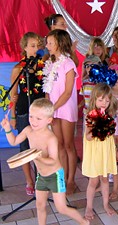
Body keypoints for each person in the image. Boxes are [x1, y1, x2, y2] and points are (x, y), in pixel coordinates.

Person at [1, 98, 89, 225]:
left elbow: (54, 161)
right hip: (41, 176)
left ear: (49, 120)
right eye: (31, 116)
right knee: (40, 205)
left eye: (38, 118)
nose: (33, 121)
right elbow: (13, 141)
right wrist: (8, 129)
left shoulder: (51, 138)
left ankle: (84, 221)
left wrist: (37, 157)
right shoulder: (28, 130)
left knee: (61, 208)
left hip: (55, 176)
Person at [42, 29, 78, 195]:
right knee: (60, 145)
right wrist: (47, 105)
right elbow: (48, 88)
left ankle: (71, 180)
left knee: (69, 144)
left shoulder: (68, 63)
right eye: (47, 42)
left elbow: (68, 91)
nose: (47, 46)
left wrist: (53, 108)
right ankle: (62, 178)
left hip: (65, 108)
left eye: (50, 43)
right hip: (53, 110)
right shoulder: (49, 63)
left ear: (60, 44)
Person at [9, 32, 45, 196]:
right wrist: (13, 116)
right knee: (25, 147)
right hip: (24, 110)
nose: (35, 48)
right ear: (24, 47)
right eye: (32, 45)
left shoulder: (43, 65)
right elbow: (13, 94)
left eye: (37, 45)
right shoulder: (18, 68)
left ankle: (40, 178)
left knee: (40, 146)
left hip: (40, 111)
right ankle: (29, 181)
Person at [82, 83, 118, 219]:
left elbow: (111, 136)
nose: (104, 103)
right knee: (93, 181)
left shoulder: (109, 117)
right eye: (101, 100)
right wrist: (97, 129)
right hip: (95, 152)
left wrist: (115, 151)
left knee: (105, 179)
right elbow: (88, 136)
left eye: (107, 100)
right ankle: (89, 206)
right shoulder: (90, 116)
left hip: (106, 152)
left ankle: (105, 204)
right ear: (94, 100)